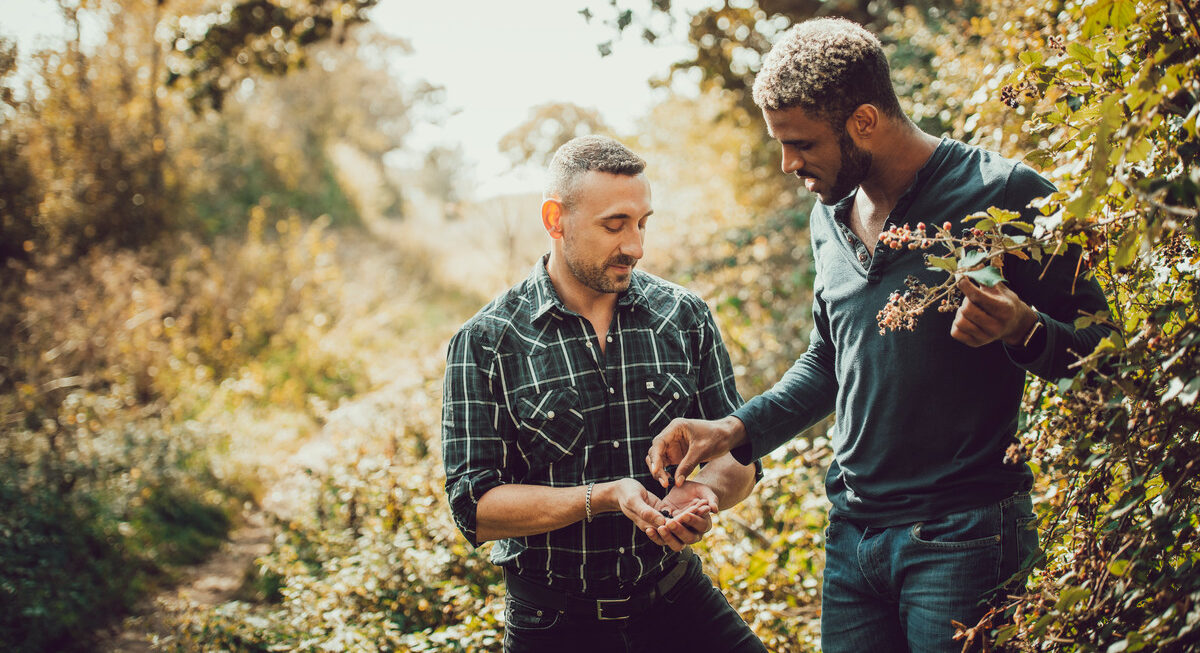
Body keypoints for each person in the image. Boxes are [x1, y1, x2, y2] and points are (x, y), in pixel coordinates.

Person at [645, 18, 1113, 653]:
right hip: (853, 540)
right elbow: (828, 361)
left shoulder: (1002, 194)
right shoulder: (828, 216)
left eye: (802, 143)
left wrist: (1022, 328)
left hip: (964, 539)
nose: (788, 164)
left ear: (863, 121)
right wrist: (732, 431)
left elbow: (1111, 357)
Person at [441, 135, 766, 653]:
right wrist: (604, 498)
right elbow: (475, 507)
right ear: (556, 220)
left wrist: (705, 494)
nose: (634, 245)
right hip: (553, 623)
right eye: (614, 225)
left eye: (642, 223)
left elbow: (739, 456)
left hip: (677, 599)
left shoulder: (684, 317)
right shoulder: (486, 342)